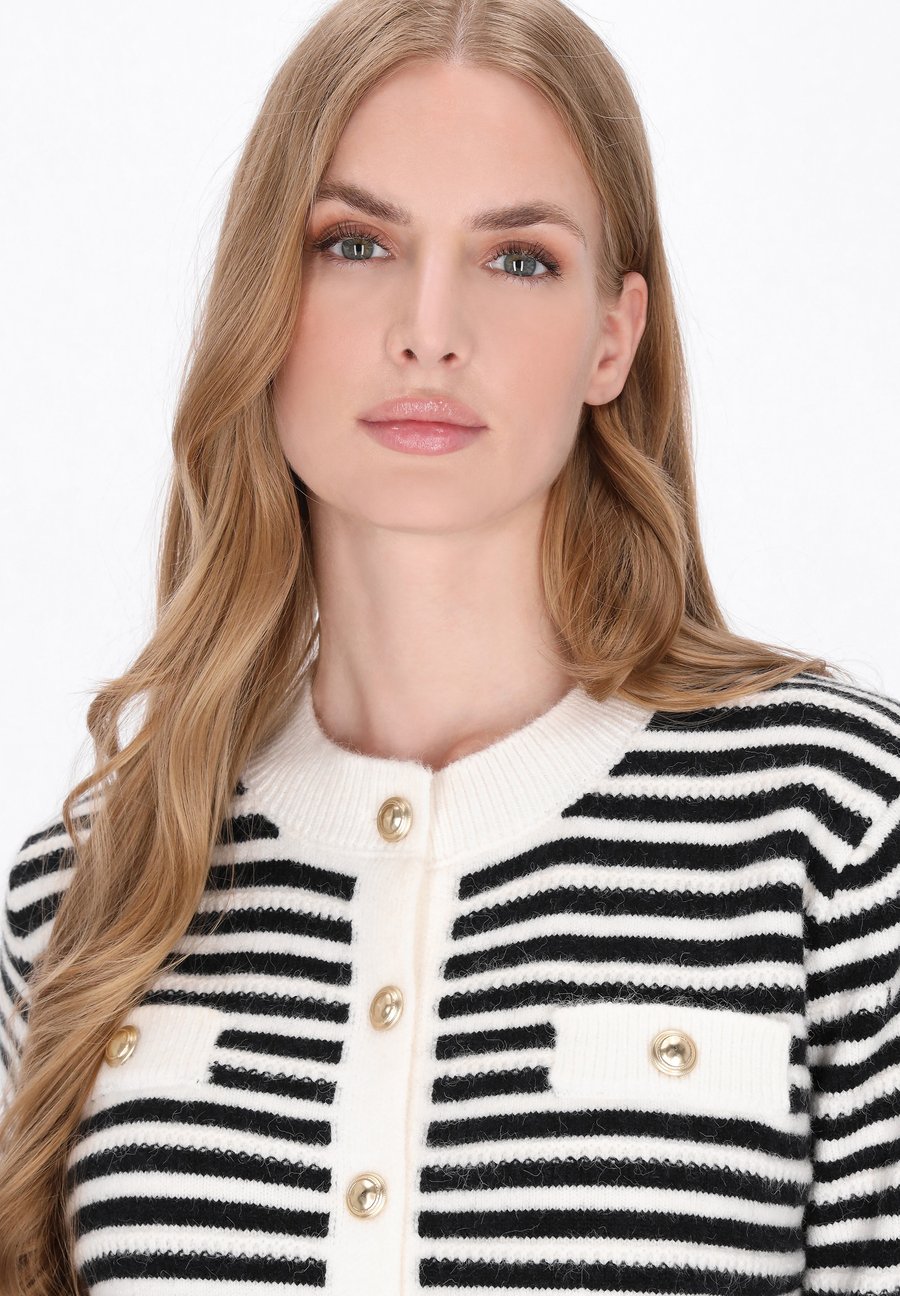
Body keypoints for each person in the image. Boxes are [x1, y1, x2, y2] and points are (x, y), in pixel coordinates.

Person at [1, 1, 897, 1292]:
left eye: (518, 259)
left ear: (613, 337)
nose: (429, 329)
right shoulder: (89, 891)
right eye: (356, 244)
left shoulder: (839, 825)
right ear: (264, 297)